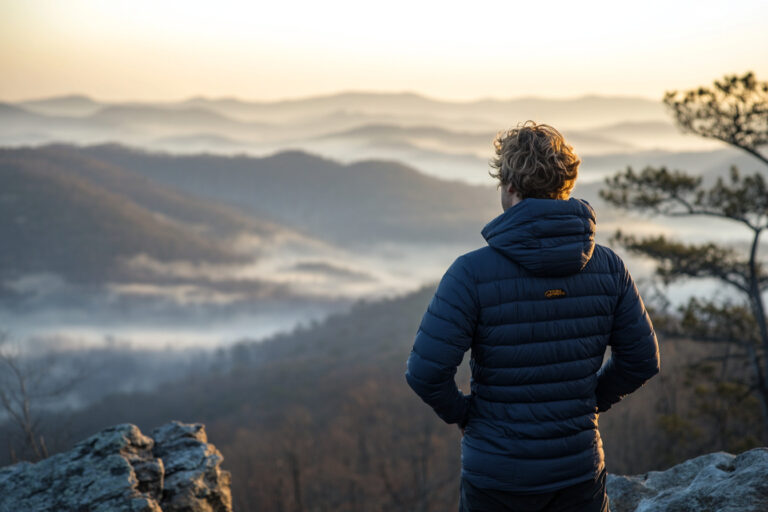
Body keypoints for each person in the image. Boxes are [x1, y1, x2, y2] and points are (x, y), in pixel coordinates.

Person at [404, 121, 660, 512]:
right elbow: (642, 361)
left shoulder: (470, 273)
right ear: (565, 185)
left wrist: (466, 415)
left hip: (497, 477)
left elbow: (425, 373)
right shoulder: (609, 267)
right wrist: (588, 402)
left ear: (509, 186)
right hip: (579, 472)